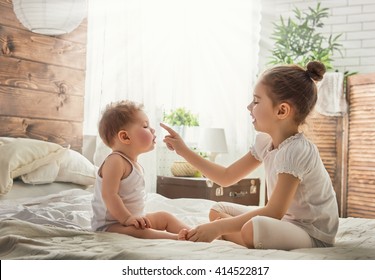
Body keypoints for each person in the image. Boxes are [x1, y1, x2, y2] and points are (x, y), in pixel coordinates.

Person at [161, 61, 339, 250]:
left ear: (282, 110)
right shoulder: (264, 141)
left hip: (311, 232)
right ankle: (238, 235)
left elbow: (274, 212)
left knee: (251, 227)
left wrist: (218, 228)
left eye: (256, 101)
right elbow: (226, 177)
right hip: (286, 222)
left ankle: (239, 235)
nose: (248, 107)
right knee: (217, 210)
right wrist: (184, 151)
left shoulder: (297, 150)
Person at [91, 100, 189, 240]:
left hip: (134, 219)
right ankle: (176, 238)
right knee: (140, 233)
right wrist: (127, 219)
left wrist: (134, 219)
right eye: (145, 126)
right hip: (110, 225)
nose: (152, 130)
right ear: (125, 137)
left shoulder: (133, 163)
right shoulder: (115, 161)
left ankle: (193, 233)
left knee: (164, 217)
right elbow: (109, 195)